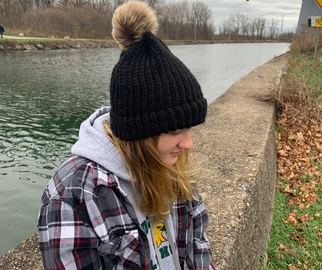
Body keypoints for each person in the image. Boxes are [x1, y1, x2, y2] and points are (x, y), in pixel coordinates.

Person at [37, 1, 216, 269]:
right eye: (174, 130)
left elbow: (197, 247)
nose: (188, 143)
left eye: (189, 128)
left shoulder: (172, 167)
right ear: (139, 133)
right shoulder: (73, 195)